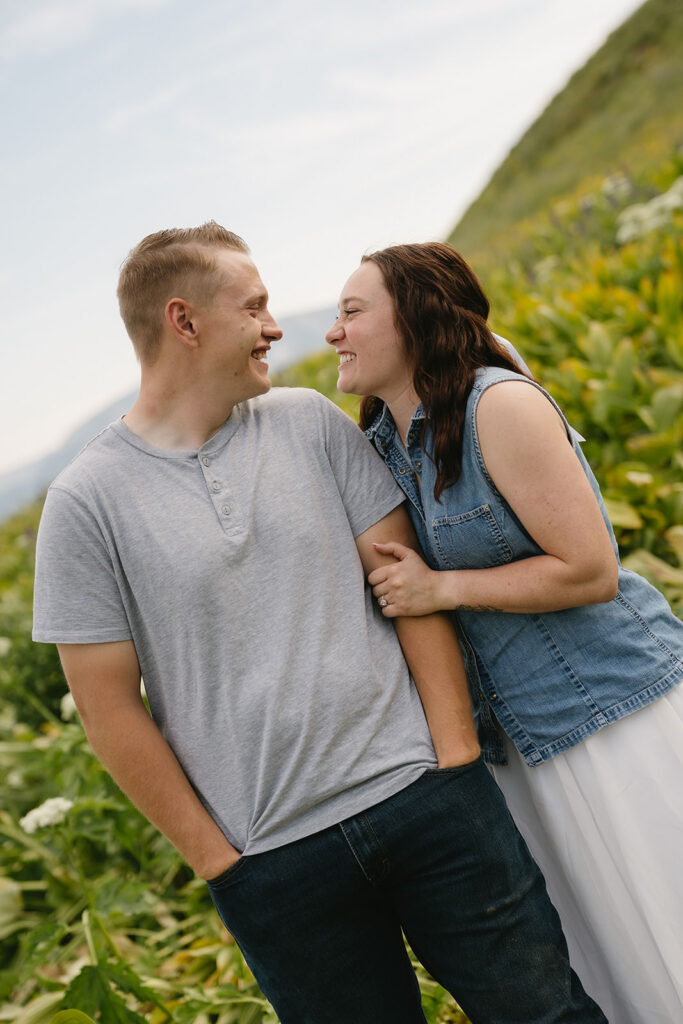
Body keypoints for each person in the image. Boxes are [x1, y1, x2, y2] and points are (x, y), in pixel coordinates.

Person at [32, 223, 606, 1024]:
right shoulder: (84, 504)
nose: (274, 328)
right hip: (274, 864)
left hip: (429, 801)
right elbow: (106, 708)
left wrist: (454, 758)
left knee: (548, 1016)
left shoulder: (310, 422)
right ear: (183, 321)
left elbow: (404, 587)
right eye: (253, 307)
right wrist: (220, 862)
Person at [325, 240, 683, 1024]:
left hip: (608, 712)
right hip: (517, 747)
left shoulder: (498, 406)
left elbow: (588, 569)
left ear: (414, 319)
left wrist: (440, 588)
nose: (333, 331)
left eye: (352, 311)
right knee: (616, 964)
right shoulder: (380, 446)